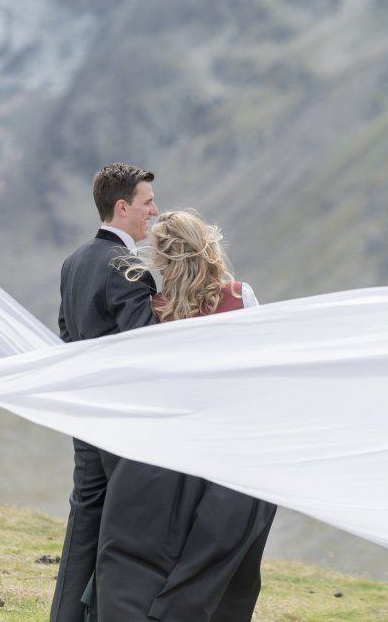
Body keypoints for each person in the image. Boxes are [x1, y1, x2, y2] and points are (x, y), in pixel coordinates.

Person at [90, 210, 276, 622]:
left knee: (152, 554)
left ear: (163, 259)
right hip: (229, 450)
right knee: (225, 560)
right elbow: (261, 364)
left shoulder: (153, 310)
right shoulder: (239, 296)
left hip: (168, 453)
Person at [50, 163, 159, 622]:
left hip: (84, 414)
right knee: (123, 527)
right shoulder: (128, 267)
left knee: (84, 518)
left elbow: (65, 332)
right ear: (122, 207)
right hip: (121, 420)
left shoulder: (73, 262)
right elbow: (143, 345)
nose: (154, 211)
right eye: (147, 203)